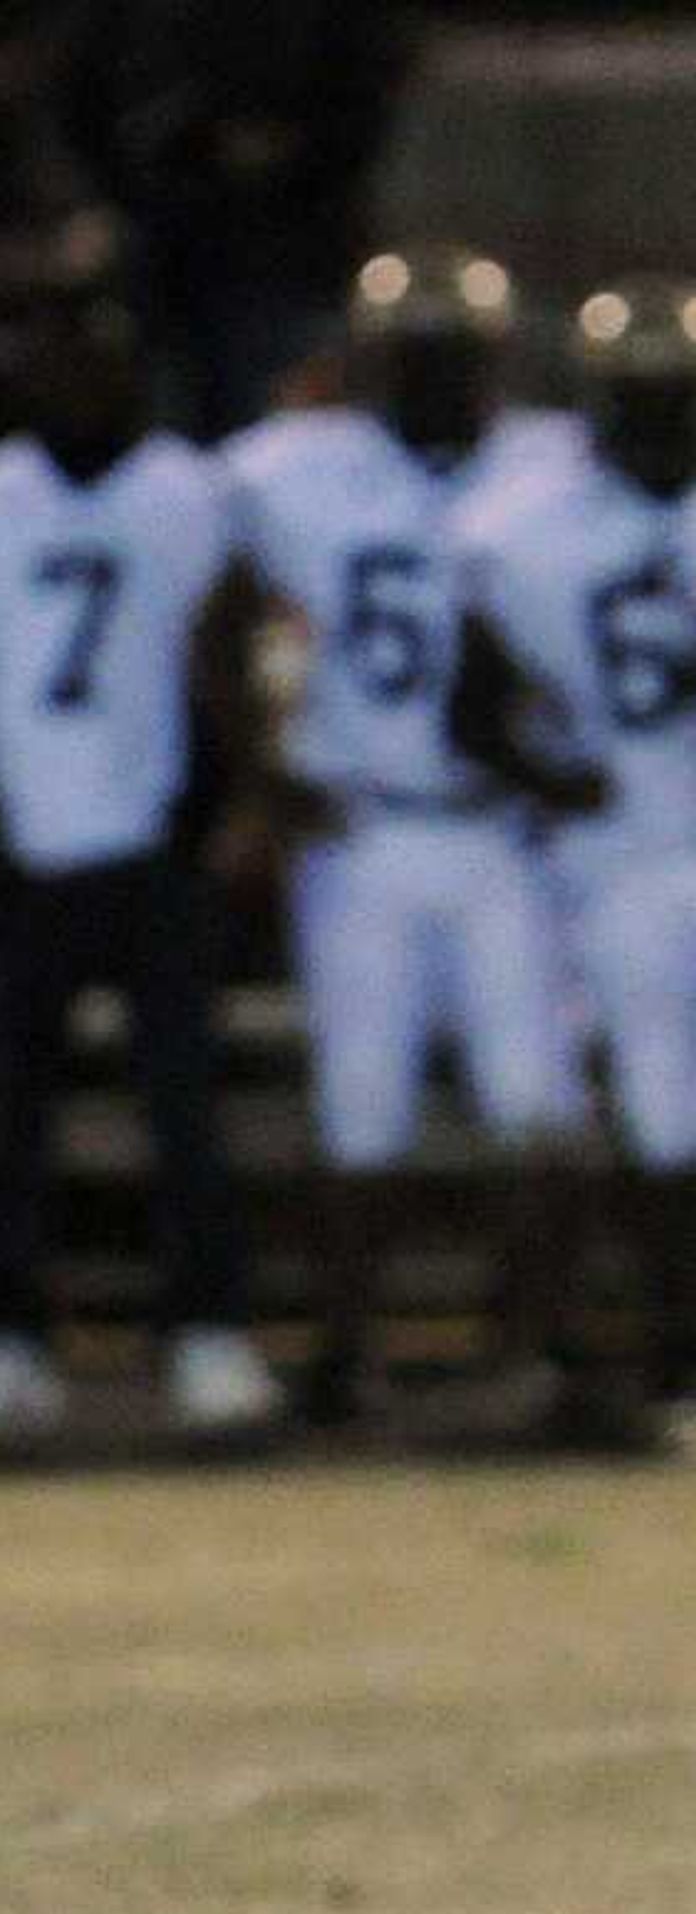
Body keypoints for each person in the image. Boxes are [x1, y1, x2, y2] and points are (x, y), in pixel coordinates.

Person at [221, 247, 595, 1430]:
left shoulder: (558, 463)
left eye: (453, 352)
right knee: (358, 1107)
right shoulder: (297, 467)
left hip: (506, 836)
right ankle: (344, 1359)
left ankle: (530, 1353)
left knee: (534, 1104)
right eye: (417, 352)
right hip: (366, 823)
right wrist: (262, 769)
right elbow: (211, 608)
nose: (435, 375)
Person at [0, 290, 278, 1443]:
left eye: (104, 359)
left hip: (157, 848)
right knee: (14, 1112)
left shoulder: (197, 498)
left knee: (183, 1106)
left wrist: (213, 815)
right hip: (31, 850)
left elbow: (226, 674)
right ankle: (5, 1338)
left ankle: (206, 1330)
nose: (84, 381)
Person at [451, 282, 696, 1427]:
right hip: (620, 859)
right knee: (654, 1116)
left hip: (628, 854)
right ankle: (667, 1356)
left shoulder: (528, 524)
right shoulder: (526, 526)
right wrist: (558, 780)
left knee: (657, 1113)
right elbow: (478, 711)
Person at [57, 0, 416, 441]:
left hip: (292, 247)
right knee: (165, 445)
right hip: (160, 247)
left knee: (278, 443)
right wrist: (114, 191)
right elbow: (76, 77)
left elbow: (373, 77)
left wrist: (292, 152)